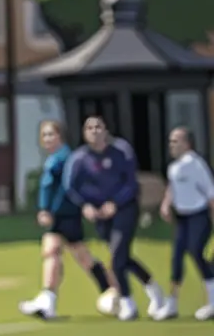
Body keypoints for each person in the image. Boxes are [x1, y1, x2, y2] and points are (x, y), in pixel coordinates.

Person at [63, 115, 166, 321]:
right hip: (100, 213)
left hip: (125, 208)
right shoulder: (79, 159)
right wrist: (86, 205)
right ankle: (153, 289)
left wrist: (115, 203)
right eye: (89, 128)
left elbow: (130, 183)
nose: (94, 131)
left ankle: (127, 302)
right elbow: (70, 186)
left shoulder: (121, 151)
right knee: (123, 257)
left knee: (118, 255)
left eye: (98, 127)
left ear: (106, 130)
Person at [19, 119, 116, 319]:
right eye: (44, 135)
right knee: (76, 255)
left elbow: (65, 188)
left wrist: (48, 210)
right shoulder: (57, 158)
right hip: (63, 214)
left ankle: (50, 298)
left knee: (57, 252)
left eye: (50, 134)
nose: (46, 139)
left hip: (65, 213)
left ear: (60, 136)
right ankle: (110, 291)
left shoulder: (64, 158)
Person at [157, 126, 214, 320]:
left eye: (176, 141)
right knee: (177, 258)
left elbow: (210, 193)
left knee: (196, 251)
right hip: (182, 218)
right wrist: (166, 204)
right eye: (171, 141)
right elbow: (172, 188)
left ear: (187, 143)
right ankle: (171, 304)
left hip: (199, 215)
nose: (172, 145)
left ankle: (213, 301)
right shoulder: (173, 167)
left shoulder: (196, 165)